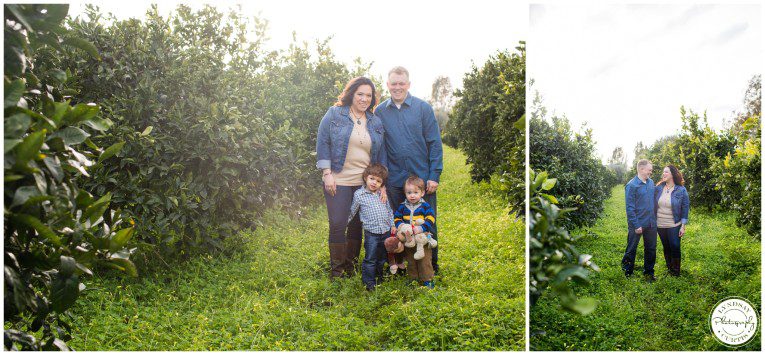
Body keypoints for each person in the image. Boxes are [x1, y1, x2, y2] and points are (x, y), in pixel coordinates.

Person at [315, 77, 387, 279]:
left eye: (369, 95)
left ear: (373, 99)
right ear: (352, 94)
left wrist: (381, 184)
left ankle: (350, 267)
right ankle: (336, 271)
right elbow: (323, 143)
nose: (364, 99)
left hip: (364, 183)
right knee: (338, 223)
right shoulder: (334, 114)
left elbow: (380, 154)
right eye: (360, 94)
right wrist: (327, 173)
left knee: (357, 225)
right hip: (338, 180)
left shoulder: (375, 121)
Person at [376, 66, 444, 274]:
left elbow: (434, 143)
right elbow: (380, 148)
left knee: (426, 221)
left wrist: (434, 175)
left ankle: (430, 265)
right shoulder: (380, 112)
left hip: (421, 179)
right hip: (395, 179)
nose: (397, 87)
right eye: (393, 83)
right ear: (388, 85)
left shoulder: (422, 108)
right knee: (399, 223)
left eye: (401, 83)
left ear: (408, 84)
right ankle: (404, 264)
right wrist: (382, 182)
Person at [347, 164, 397, 291]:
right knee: (370, 258)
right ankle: (369, 282)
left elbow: (389, 210)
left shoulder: (382, 194)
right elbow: (353, 211)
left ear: (382, 184)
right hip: (371, 233)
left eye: (378, 181)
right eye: (372, 179)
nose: (374, 183)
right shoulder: (359, 194)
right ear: (365, 177)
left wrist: (392, 224)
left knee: (382, 257)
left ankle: (379, 278)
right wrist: (344, 223)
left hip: (385, 231)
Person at [393, 175, 436, 289]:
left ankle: (427, 279)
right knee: (410, 258)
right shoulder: (403, 207)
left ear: (422, 193)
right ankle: (413, 278)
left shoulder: (425, 206)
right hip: (409, 238)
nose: (412, 195)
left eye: (415, 192)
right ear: (405, 193)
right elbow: (397, 218)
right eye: (409, 192)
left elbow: (431, 218)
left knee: (424, 259)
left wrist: (421, 228)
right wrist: (401, 226)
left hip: (422, 237)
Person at [622, 159, 658, 281]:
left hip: (651, 223)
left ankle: (649, 272)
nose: (651, 172)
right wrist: (636, 225)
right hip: (637, 224)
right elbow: (630, 208)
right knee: (632, 248)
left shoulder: (650, 182)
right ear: (641, 169)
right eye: (649, 170)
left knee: (651, 249)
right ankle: (627, 272)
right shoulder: (631, 185)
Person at [654, 164, 690, 276]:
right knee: (666, 246)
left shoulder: (681, 190)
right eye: (663, 172)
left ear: (672, 174)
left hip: (674, 224)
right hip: (660, 224)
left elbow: (685, 207)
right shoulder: (658, 188)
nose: (663, 174)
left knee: (675, 245)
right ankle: (669, 267)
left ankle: (676, 271)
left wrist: (683, 225)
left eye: (666, 172)